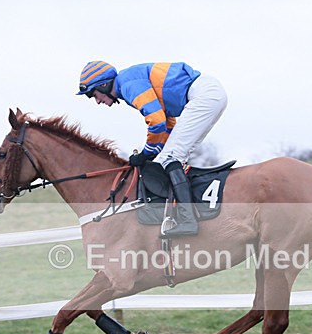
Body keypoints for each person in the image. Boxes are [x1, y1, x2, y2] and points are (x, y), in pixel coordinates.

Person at [77, 61, 227, 237]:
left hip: (203, 96)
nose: (97, 101)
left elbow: (156, 121)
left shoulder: (127, 85)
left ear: (103, 84)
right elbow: (168, 122)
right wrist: (155, 152)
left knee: (170, 158)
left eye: (93, 94)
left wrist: (146, 153)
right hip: (208, 95)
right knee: (168, 157)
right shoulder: (128, 83)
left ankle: (188, 220)